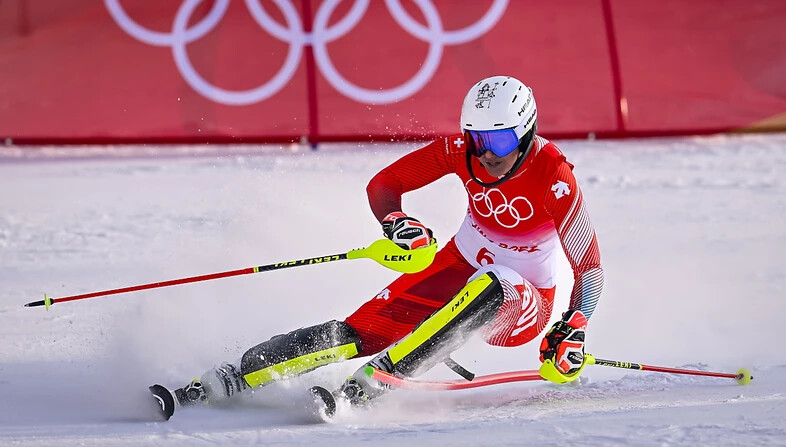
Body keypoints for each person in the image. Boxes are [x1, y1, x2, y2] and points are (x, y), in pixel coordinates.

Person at [153, 75, 604, 418]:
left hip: (524, 302)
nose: (485, 153)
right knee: (356, 333)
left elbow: (590, 269)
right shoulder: (457, 151)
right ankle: (222, 381)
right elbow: (385, 183)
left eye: (500, 140)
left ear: (526, 134)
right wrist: (397, 221)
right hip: (457, 266)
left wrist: (574, 326)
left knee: (496, 282)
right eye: (476, 138)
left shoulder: (554, 176)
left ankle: (369, 385)